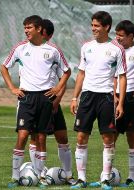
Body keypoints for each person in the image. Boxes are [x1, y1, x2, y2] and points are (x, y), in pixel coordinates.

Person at [0, 15, 71, 188]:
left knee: (41, 137)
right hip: (27, 97)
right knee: (23, 135)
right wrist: (12, 88)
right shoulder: (20, 48)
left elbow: (67, 71)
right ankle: (15, 176)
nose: (26, 31)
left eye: (29, 27)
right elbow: (4, 67)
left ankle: (40, 176)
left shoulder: (53, 50)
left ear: (39, 29)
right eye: (25, 27)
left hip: (45, 97)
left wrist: (57, 89)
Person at [70, 11, 127, 190]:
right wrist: (74, 97)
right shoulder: (86, 47)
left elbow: (122, 77)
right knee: (81, 137)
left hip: (106, 97)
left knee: (108, 138)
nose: (93, 29)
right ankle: (81, 179)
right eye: (92, 25)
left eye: (97, 26)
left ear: (106, 27)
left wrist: (121, 102)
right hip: (87, 96)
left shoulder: (117, 49)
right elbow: (81, 73)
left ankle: (105, 180)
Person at [28, 19, 75, 185]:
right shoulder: (27, 50)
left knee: (62, 137)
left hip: (52, 102)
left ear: (43, 32)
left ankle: (69, 175)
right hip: (36, 102)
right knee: (36, 139)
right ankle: (37, 174)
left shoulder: (54, 51)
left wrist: (57, 100)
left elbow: (64, 75)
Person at [113, 20, 134, 187]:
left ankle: (132, 176)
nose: (118, 38)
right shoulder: (113, 50)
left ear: (131, 37)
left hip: (132, 97)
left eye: (121, 35)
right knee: (110, 134)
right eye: (116, 34)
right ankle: (108, 173)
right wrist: (113, 94)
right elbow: (112, 74)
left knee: (132, 136)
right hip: (115, 96)